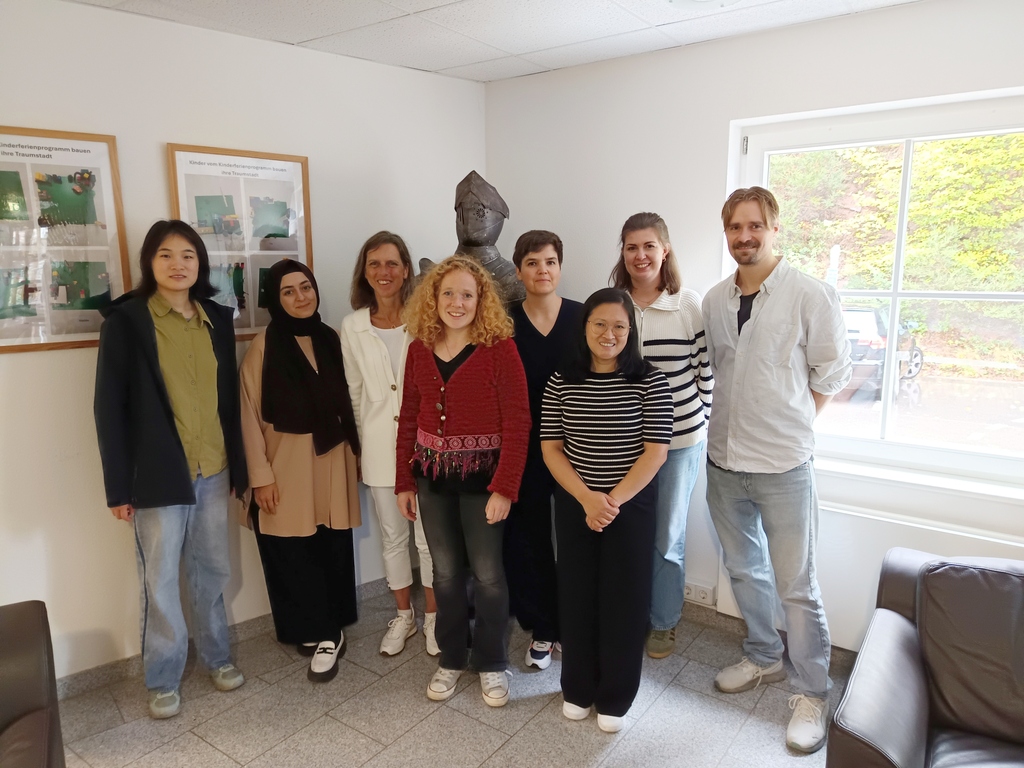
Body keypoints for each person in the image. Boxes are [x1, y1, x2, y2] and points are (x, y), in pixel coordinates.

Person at [702, 186, 851, 753]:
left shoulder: (809, 295)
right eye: (735, 227)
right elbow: (714, 370)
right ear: (727, 233)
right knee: (745, 572)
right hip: (724, 464)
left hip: (785, 467)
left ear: (774, 228)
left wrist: (794, 424)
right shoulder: (716, 299)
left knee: (797, 586)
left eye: (755, 226)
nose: (745, 236)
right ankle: (763, 655)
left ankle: (811, 691)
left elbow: (831, 374)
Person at [94, 220, 247, 719]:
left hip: (214, 466)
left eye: (187, 254)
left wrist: (240, 470)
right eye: (165, 255)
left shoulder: (216, 319)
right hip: (158, 475)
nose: (177, 264)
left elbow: (229, 403)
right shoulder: (127, 321)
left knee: (211, 570)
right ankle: (162, 679)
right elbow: (108, 408)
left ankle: (217, 659)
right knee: (159, 579)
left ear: (200, 262)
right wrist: (119, 486)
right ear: (149, 263)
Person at [395, 255, 531, 708]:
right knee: (446, 573)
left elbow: (518, 421)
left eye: (467, 295)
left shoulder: (500, 348)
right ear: (433, 298)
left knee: (490, 575)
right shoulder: (419, 347)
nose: (457, 302)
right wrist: (404, 482)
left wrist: (505, 488)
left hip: (484, 483)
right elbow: (409, 418)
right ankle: (452, 658)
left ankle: (491, 662)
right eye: (448, 293)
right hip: (432, 480)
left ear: (481, 300)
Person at [541, 288, 673, 733]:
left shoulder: (651, 381)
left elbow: (655, 452)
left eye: (619, 325)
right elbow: (552, 448)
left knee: (624, 599)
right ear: (585, 328)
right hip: (576, 502)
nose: (609, 333)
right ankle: (577, 688)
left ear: (631, 331)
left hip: (629, 507)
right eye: (600, 324)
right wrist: (586, 498)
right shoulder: (561, 381)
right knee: (576, 595)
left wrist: (610, 501)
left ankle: (616, 695)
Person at [239, 259, 362, 683]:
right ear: (275, 298)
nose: (300, 297)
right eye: (288, 291)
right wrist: (260, 476)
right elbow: (247, 414)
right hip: (285, 466)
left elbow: (354, 400)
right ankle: (309, 627)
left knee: (330, 541)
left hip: (333, 460)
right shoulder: (263, 346)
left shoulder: (331, 338)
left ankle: (331, 625)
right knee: (291, 548)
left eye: (305, 287)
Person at [610, 212, 713, 659]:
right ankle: (628, 614)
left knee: (667, 535)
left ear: (664, 250)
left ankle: (663, 621)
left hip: (678, 444)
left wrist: (695, 422)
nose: (640, 255)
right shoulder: (614, 305)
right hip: (626, 442)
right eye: (632, 247)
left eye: (649, 246)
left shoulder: (687, 304)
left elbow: (705, 372)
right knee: (627, 531)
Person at [341, 232, 438, 657]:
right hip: (381, 448)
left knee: (429, 539)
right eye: (375, 264)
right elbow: (356, 393)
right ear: (365, 271)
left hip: (429, 446)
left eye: (393, 264)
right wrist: (364, 451)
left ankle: (435, 617)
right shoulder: (353, 326)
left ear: (405, 269)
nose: (384, 272)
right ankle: (404, 617)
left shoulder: (426, 319)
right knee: (393, 538)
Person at [505, 230, 583, 671]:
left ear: (560, 267)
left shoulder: (582, 317)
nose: (542, 270)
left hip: (576, 447)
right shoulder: (503, 321)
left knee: (574, 540)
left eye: (550, 261)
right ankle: (543, 627)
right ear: (519, 270)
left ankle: (572, 626)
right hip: (523, 447)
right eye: (532, 263)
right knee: (529, 541)